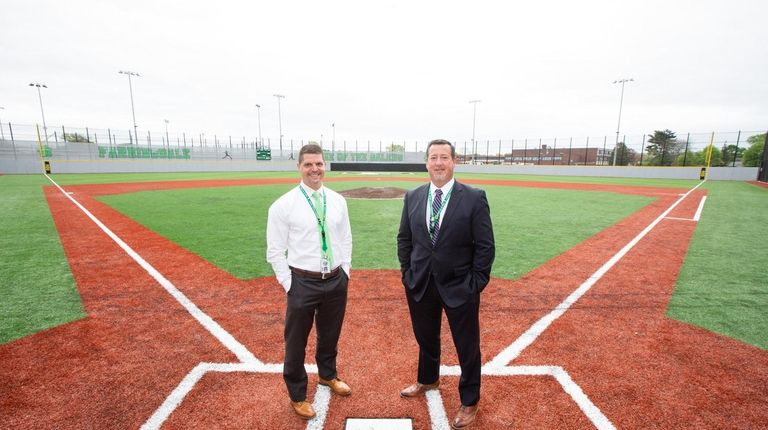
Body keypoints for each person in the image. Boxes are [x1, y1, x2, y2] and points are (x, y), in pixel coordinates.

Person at [397, 139, 495, 429]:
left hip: (460, 285)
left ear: (454, 162)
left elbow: (485, 246)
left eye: (444, 157)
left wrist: (475, 283)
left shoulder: (474, 197)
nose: (438, 163)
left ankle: (469, 399)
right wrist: (407, 273)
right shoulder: (413, 196)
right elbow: (404, 239)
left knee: (467, 345)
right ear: (426, 162)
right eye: (433, 157)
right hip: (421, 282)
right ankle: (428, 379)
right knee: (426, 338)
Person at [266, 143, 353, 420]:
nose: (314, 169)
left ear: (324, 165)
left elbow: (346, 238)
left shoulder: (338, 200)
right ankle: (297, 394)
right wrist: (289, 283)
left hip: (335, 279)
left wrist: (346, 270)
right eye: (308, 164)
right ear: (299, 167)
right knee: (296, 341)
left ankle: (328, 375)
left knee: (330, 334)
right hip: (302, 281)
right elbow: (275, 251)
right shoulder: (283, 205)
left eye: (319, 164)